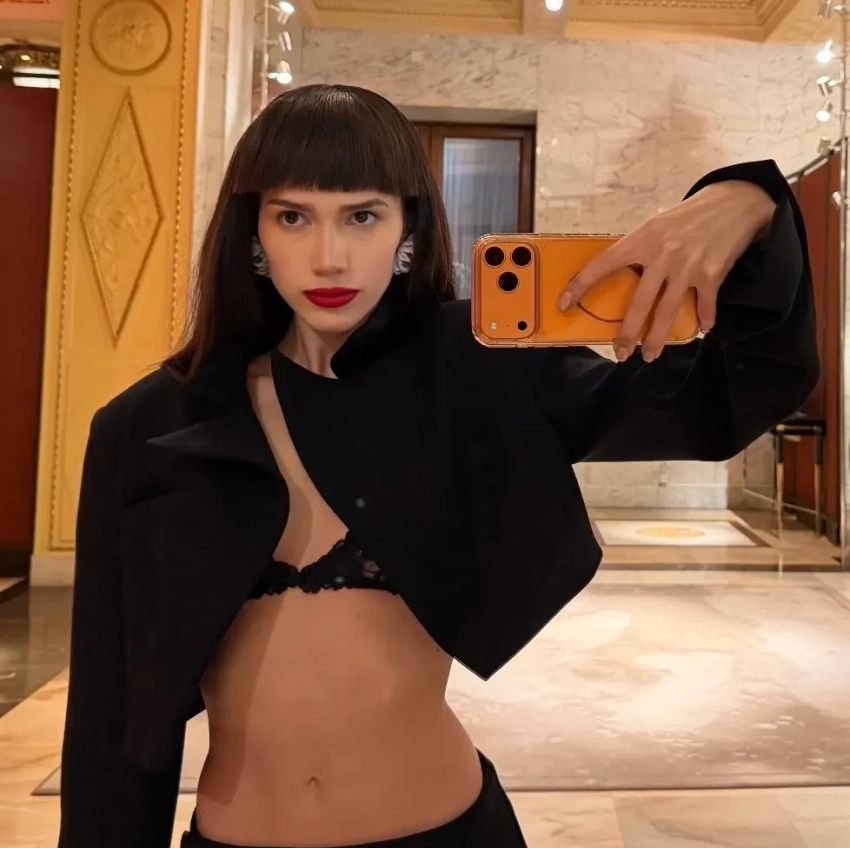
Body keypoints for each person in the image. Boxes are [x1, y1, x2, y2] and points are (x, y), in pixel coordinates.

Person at [58, 84, 818, 848]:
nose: (329, 255)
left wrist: (751, 202)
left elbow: (722, 402)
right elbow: (110, 716)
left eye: (362, 216)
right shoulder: (150, 427)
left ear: (408, 230)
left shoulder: (475, 371)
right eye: (293, 217)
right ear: (253, 234)